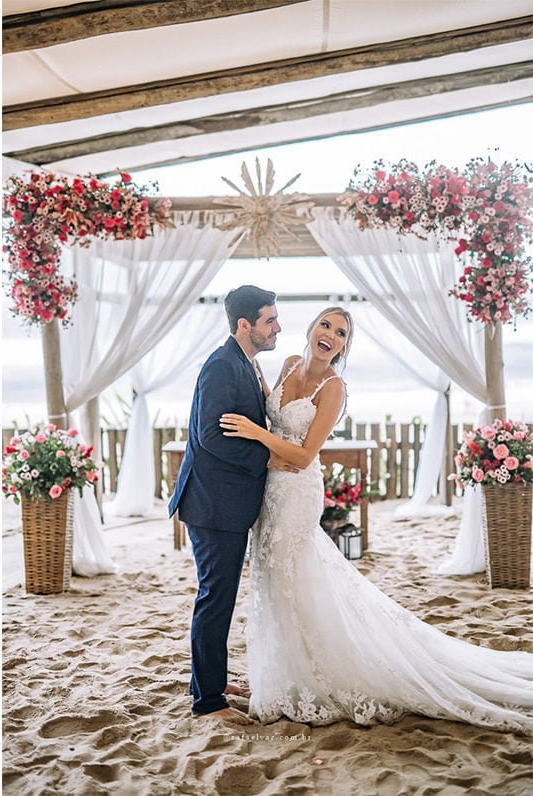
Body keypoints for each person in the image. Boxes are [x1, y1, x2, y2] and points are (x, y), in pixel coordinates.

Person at [219, 307, 533, 732]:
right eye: (326, 325)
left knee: (294, 577)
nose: (330, 335)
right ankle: (282, 672)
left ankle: (315, 675)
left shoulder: (334, 389)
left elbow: (305, 455)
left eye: (341, 333)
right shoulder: (289, 364)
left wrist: (258, 436)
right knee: (273, 581)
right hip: (271, 488)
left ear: (344, 346)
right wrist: (263, 420)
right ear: (311, 329)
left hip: (296, 491)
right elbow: (275, 419)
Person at [168, 285, 289, 724]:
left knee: (219, 597)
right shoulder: (222, 366)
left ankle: (211, 682)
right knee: (215, 599)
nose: (277, 328)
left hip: (224, 503)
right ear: (244, 324)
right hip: (213, 504)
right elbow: (210, 437)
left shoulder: (245, 363)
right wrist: (267, 458)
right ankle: (207, 703)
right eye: (270, 321)